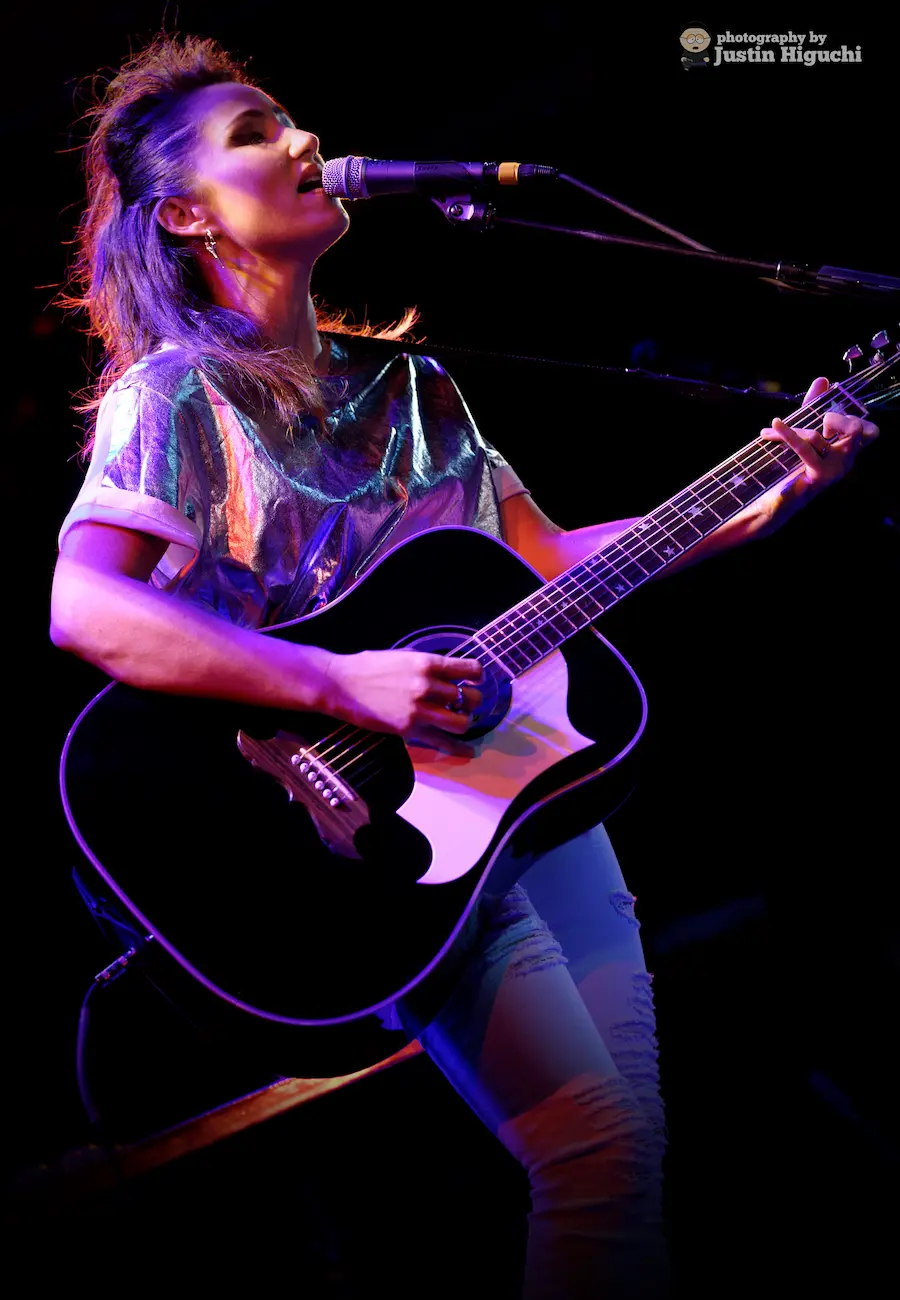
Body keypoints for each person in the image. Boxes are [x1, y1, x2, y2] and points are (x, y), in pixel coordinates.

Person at [49, 33, 879, 1300]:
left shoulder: (413, 390)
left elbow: (555, 563)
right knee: (593, 1149)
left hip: (506, 787)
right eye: (257, 131)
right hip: (343, 823)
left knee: (630, 1144)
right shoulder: (174, 398)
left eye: (293, 117)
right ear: (183, 213)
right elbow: (83, 606)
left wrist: (771, 492)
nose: (304, 140)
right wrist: (344, 686)